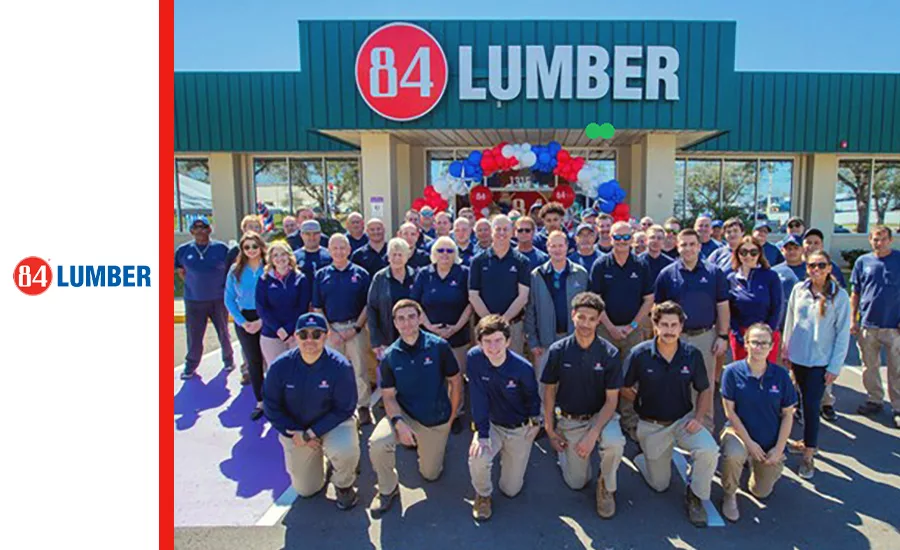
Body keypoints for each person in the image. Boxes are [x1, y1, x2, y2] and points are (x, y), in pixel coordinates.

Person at [624, 301, 720, 527]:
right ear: (655, 326)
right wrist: (640, 401)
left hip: (683, 421)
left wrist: (698, 418)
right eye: (664, 325)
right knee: (660, 485)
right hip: (651, 424)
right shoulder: (639, 354)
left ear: (681, 326)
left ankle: (695, 496)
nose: (669, 330)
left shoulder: (692, 354)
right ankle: (643, 457)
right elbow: (624, 386)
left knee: (709, 449)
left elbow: (704, 389)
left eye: (673, 325)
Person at [368, 300, 463, 516]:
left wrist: (451, 416)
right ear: (394, 323)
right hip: (406, 415)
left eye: (411, 316)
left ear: (420, 318)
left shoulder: (439, 346)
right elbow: (389, 396)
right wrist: (398, 423)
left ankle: (431, 444)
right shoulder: (390, 356)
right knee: (377, 443)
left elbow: (455, 381)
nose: (407, 322)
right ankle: (387, 489)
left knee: (431, 474)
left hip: (435, 418)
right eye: (401, 318)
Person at [541, 292, 626, 519]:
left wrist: (593, 433)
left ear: (599, 320)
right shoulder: (558, 351)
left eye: (591, 319)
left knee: (615, 442)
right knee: (577, 483)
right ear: (573, 316)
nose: (586, 324)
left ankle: (606, 486)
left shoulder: (610, 353)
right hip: (570, 418)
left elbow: (611, 401)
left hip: (601, 416)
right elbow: (549, 391)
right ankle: (567, 454)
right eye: (582, 317)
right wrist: (550, 429)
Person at [263, 313, 360, 510]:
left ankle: (344, 484)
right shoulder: (280, 367)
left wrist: (310, 433)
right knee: (306, 490)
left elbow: (345, 408)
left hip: (332, 423)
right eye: (304, 334)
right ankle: (323, 464)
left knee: (345, 449)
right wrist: (295, 432)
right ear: (295, 336)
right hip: (296, 429)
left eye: (316, 334)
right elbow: (271, 406)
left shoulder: (340, 366)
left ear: (325, 336)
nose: (310, 340)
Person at [782, 249, 851, 477]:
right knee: (799, 401)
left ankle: (809, 455)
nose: (816, 270)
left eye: (821, 265)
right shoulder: (799, 290)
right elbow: (790, 321)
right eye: (812, 265)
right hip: (798, 358)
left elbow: (842, 334)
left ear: (829, 268)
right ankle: (804, 441)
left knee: (811, 406)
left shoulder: (839, 297)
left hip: (821, 362)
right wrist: (786, 350)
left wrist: (835, 366)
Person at [720, 323, 797, 522]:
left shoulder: (780, 376)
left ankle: (758, 465)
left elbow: (788, 414)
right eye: (754, 342)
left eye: (764, 343)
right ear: (746, 344)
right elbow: (730, 413)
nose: (759, 347)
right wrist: (750, 444)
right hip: (739, 434)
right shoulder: (731, 372)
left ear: (772, 347)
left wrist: (779, 449)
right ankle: (729, 494)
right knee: (734, 453)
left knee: (760, 492)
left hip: (769, 440)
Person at [467, 315, 541, 521]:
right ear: (479, 343)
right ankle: (482, 495)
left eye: (498, 340)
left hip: (518, 427)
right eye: (487, 341)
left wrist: (536, 423)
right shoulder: (474, 358)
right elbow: (477, 396)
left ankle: (509, 460)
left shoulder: (522, 368)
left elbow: (533, 399)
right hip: (492, 424)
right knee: (478, 456)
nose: (493, 347)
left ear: (508, 341)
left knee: (511, 489)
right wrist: (481, 434)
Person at [654, 229, 730, 429]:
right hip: (673, 338)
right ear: (677, 247)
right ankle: (676, 429)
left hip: (704, 336)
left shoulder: (714, 273)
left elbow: (722, 306)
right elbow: (657, 311)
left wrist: (722, 336)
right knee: (674, 384)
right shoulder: (667, 274)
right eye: (683, 244)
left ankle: (704, 427)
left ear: (699, 246)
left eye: (691, 244)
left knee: (704, 385)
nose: (687, 249)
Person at [590, 221, 654, 439]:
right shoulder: (600, 265)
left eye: (626, 237)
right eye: (617, 237)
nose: (622, 242)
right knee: (601, 375)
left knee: (630, 377)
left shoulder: (641, 265)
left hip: (632, 331)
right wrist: (610, 327)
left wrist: (632, 326)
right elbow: (595, 301)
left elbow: (648, 300)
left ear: (633, 238)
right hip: (606, 330)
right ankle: (604, 423)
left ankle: (630, 421)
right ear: (609, 237)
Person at [412, 236, 473, 433]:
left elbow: (470, 303)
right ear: (434, 254)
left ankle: (455, 413)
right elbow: (415, 304)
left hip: (458, 335)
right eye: (440, 251)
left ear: (455, 254)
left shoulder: (464, 273)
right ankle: (433, 412)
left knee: (456, 377)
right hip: (430, 336)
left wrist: (455, 327)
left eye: (449, 251)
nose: (445, 255)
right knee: (431, 375)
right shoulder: (424, 274)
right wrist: (430, 327)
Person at [312, 234, 373, 425]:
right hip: (331, 330)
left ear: (349, 250)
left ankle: (363, 407)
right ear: (329, 250)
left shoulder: (361, 274)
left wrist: (355, 328)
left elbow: (367, 305)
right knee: (332, 370)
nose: (339, 252)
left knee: (360, 369)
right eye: (335, 248)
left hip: (355, 327)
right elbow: (317, 307)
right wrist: (330, 332)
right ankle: (335, 407)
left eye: (342, 248)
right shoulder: (321, 275)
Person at [526, 231, 590, 397]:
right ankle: (544, 419)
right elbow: (531, 309)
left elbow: (589, 309)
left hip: (574, 339)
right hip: (546, 341)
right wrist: (533, 341)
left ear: (567, 247)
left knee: (572, 382)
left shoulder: (581, 274)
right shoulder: (537, 275)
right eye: (553, 246)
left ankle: (570, 419)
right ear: (547, 248)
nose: (557, 249)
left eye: (560, 245)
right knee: (545, 385)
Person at [850, 226, 900, 427]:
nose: (879, 243)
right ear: (870, 240)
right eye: (875, 239)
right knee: (869, 366)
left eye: (883, 239)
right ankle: (874, 399)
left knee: (896, 368)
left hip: (894, 326)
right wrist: (853, 319)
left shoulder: (898, 259)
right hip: (868, 324)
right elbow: (856, 292)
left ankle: (897, 406)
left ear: (891, 240)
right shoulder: (863, 262)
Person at [175, 217, 234, 379]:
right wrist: (194, 284)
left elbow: (231, 270)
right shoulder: (183, 250)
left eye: (204, 227)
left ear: (210, 229)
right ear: (191, 231)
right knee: (194, 334)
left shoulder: (221, 248)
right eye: (196, 228)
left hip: (218, 299)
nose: (200, 230)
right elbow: (181, 271)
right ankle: (191, 365)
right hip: (194, 300)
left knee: (223, 331)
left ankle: (228, 359)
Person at [469, 215, 532, 355]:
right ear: (491, 231)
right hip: (484, 326)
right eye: (498, 229)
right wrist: (490, 322)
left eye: (505, 229)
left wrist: (503, 321)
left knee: (514, 370)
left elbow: (523, 297)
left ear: (512, 232)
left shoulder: (522, 261)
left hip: (513, 326)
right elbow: (473, 295)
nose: (502, 233)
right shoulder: (478, 261)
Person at [224, 231, 267, 419]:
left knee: (273, 361)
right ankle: (261, 401)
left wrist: (263, 321)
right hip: (246, 320)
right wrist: (242, 322)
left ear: (261, 247)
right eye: (246, 247)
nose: (251, 250)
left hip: (267, 317)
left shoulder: (269, 268)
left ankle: (277, 401)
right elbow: (229, 298)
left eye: (254, 246)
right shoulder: (235, 270)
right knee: (254, 361)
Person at [726, 236, 784, 362]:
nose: (748, 256)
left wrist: (767, 334)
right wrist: (738, 334)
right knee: (742, 375)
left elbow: (777, 307)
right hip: (741, 335)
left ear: (759, 254)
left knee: (766, 375)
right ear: (737, 254)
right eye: (743, 252)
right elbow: (729, 311)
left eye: (753, 252)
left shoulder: (770, 276)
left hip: (767, 335)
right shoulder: (731, 278)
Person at [256, 241, 312, 368]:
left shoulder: (300, 278)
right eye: (275, 255)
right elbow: (261, 308)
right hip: (272, 335)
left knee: (298, 371)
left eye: (283, 254)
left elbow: (302, 308)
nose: (280, 258)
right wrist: (278, 329)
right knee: (276, 373)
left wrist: (289, 330)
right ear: (270, 259)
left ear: (289, 256)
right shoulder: (264, 280)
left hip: (295, 334)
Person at [366, 238, 417, 361]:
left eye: (400, 254)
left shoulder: (416, 276)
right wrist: (376, 341)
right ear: (388, 257)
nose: (397, 258)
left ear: (407, 257)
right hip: (387, 338)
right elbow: (372, 309)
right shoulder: (379, 278)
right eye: (393, 254)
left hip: (414, 337)